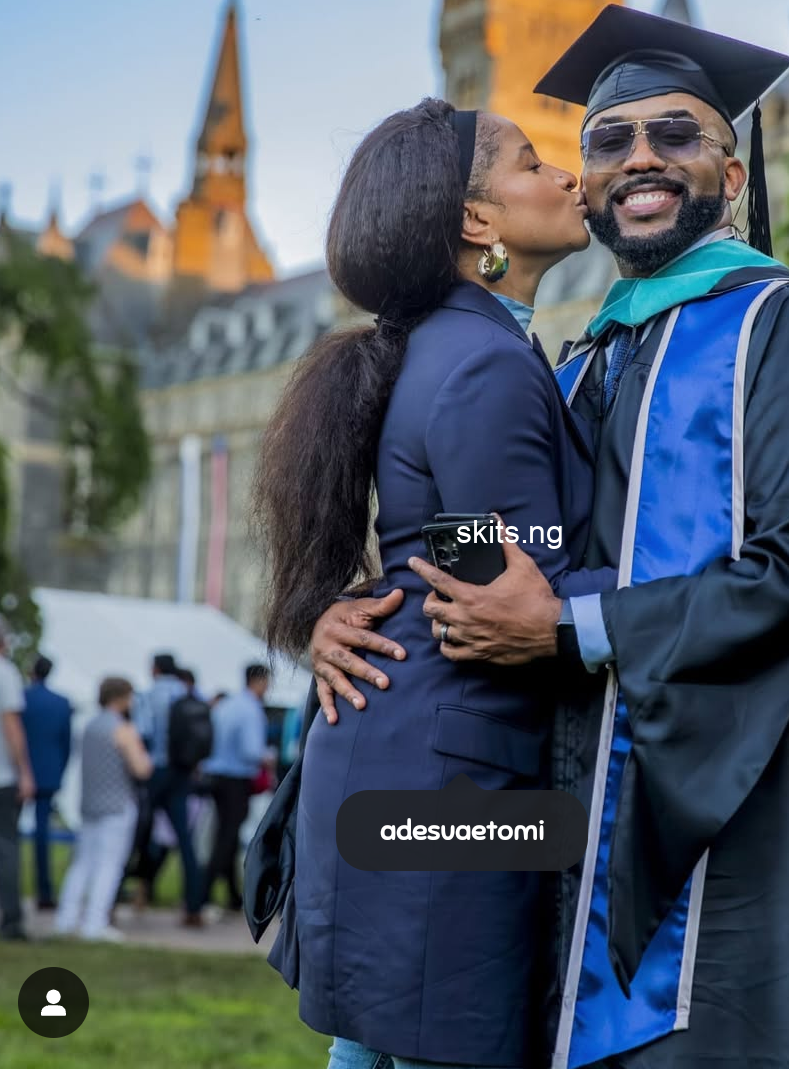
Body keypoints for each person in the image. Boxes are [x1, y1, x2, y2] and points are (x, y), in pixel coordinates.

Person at [308, 11, 789, 1069]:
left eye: (674, 134)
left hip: (730, 810)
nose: (639, 157)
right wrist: (354, 604)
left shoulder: (787, 326)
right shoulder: (576, 362)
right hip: (571, 817)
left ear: (730, 171)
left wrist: (570, 624)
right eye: (608, 139)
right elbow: (478, 532)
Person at [253, 98, 613, 1069]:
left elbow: (456, 546)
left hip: (401, 753)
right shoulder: (485, 361)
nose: (567, 175)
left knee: (372, 1046)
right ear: (475, 219)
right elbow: (510, 589)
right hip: (454, 773)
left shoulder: (446, 345)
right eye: (532, 162)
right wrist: (704, 578)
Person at [54, 677, 152, 942]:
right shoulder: (123, 729)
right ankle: (95, 923)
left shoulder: (90, 726)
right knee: (109, 865)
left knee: (82, 863)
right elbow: (141, 768)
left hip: (90, 804)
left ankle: (66, 918)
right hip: (117, 804)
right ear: (122, 698)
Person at [132, 652, 204, 925]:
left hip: (156, 770)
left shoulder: (148, 695)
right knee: (185, 840)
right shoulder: (189, 694)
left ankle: (120, 897)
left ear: (155, 669)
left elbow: (143, 732)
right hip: (183, 771)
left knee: (139, 833)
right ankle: (194, 905)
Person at [202, 663, 269, 910]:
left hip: (216, 775)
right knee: (227, 838)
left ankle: (232, 896)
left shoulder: (227, 704)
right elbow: (251, 751)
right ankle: (201, 894)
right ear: (260, 681)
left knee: (225, 835)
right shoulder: (251, 709)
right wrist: (268, 757)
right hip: (236, 779)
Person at [22, 655, 73, 909]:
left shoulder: (22, 698)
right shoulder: (61, 703)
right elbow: (67, 744)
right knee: (42, 834)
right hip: (48, 774)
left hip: (19, 771)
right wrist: (59, 773)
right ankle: (44, 892)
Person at [0, 618, 34, 941]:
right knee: (7, 846)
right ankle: (11, 919)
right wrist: (24, 771)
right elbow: (11, 725)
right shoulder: (5, 673)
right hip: (2, 776)